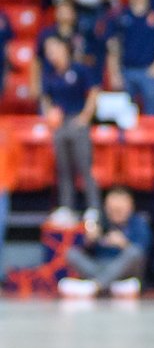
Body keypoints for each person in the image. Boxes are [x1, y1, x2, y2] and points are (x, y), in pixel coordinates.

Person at [39, 35, 100, 216]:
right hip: (59, 124)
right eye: (48, 52)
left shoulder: (79, 69)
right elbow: (46, 98)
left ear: (64, 48)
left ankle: (93, 208)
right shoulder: (49, 74)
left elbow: (93, 91)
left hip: (77, 122)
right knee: (63, 169)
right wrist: (49, 114)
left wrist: (84, 117)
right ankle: (67, 208)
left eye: (54, 49)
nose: (51, 55)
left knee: (84, 167)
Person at [59, 186, 151, 298]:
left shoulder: (138, 223)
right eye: (112, 209)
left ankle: (95, 286)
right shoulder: (100, 222)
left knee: (134, 252)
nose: (116, 212)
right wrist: (89, 240)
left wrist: (123, 243)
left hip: (124, 268)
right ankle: (113, 286)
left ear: (130, 207)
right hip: (99, 266)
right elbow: (83, 250)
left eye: (120, 209)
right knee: (71, 253)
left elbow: (142, 252)